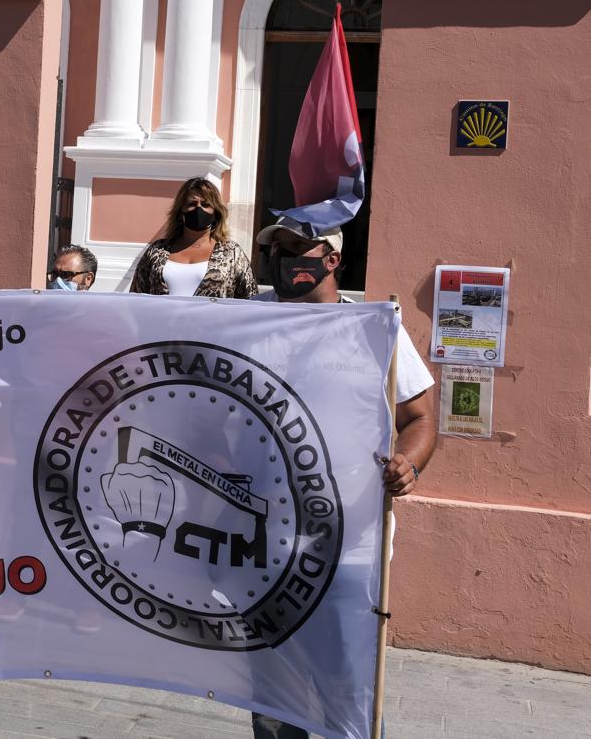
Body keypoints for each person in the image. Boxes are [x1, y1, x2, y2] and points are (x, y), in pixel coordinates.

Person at [250, 215, 437, 739]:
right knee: (272, 695)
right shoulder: (244, 321)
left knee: (349, 693)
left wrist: (410, 463)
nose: (284, 261)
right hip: (262, 547)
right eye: (278, 250)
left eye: (296, 249)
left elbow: (420, 416)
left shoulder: (377, 330)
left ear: (331, 260)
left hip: (349, 549)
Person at [129, 177, 256, 298]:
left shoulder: (232, 253)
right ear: (180, 212)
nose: (198, 209)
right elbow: (136, 296)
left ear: (216, 213)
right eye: (192, 204)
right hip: (163, 320)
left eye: (206, 204)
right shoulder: (157, 251)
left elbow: (251, 299)